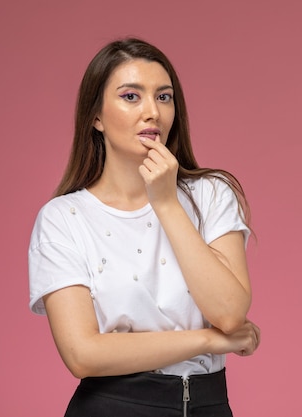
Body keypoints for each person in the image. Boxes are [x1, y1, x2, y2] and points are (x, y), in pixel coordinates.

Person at [28, 37, 260, 417]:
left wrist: (166, 202)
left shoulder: (210, 194)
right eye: (131, 96)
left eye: (164, 97)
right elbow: (82, 355)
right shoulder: (63, 218)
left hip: (209, 405)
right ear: (96, 117)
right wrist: (208, 340)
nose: (152, 112)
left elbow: (231, 313)